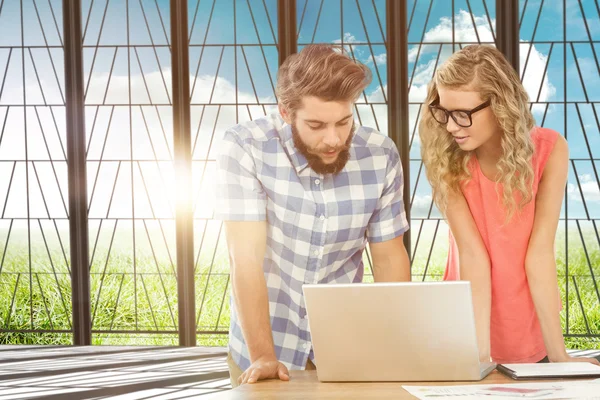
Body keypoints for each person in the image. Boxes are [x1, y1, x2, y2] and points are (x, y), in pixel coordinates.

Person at [214, 44, 411, 387]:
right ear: (286, 113)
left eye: (344, 121)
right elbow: (244, 259)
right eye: (317, 125)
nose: (333, 139)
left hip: (346, 348)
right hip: (263, 345)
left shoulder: (381, 154)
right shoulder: (246, 146)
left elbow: (389, 258)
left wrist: (395, 347)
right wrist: (263, 355)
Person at [419, 44, 600, 365]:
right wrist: (480, 357)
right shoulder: (445, 159)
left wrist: (559, 356)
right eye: (444, 112)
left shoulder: (550, 149)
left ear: (500, 105)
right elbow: (472, 256)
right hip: (469, 325)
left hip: (529, 325)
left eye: (463, 114)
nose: (449, 126)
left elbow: (539, 252)